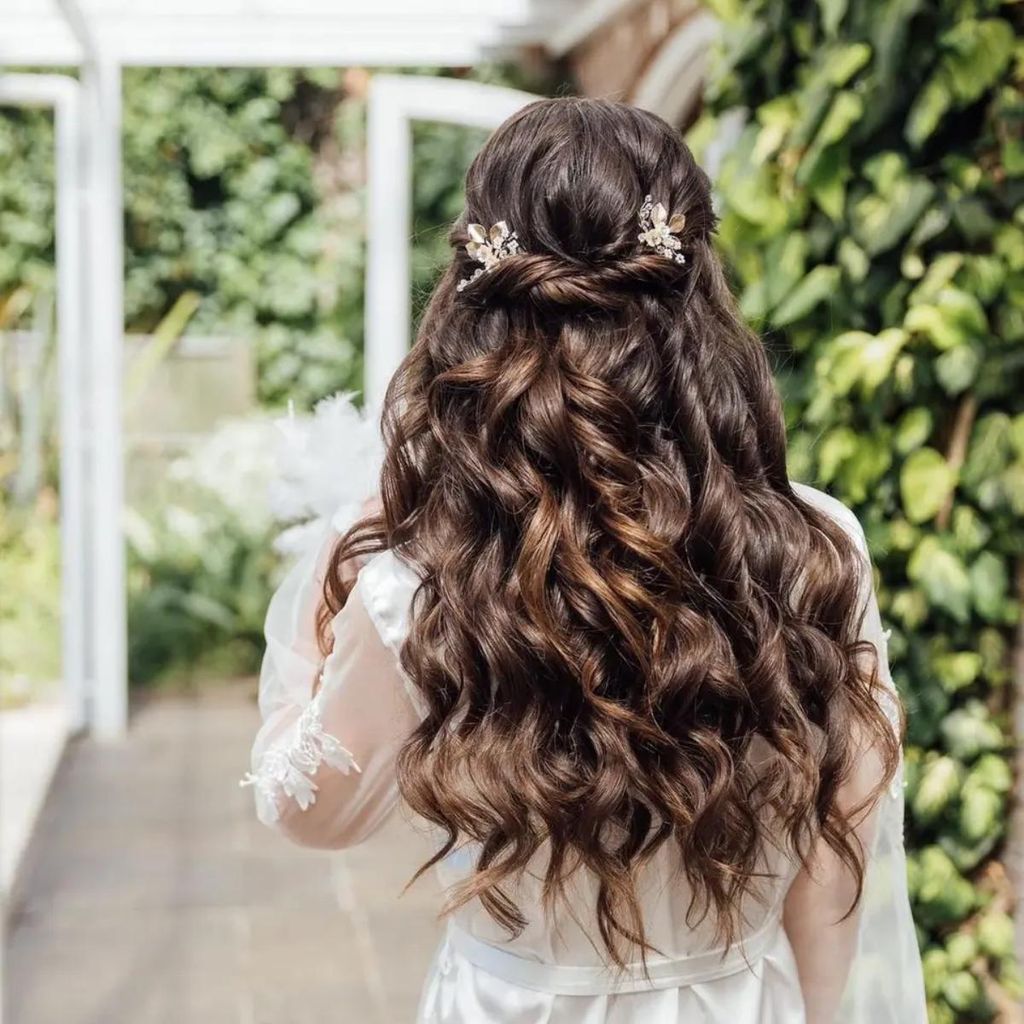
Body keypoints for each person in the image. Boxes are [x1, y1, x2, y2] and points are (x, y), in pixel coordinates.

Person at [243, 98, 927, 1024]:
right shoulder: (811, 548)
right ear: (698, 292)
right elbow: (832, 855)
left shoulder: (425, 577)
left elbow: (311, 812)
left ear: (473, 293)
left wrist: (330, 596)